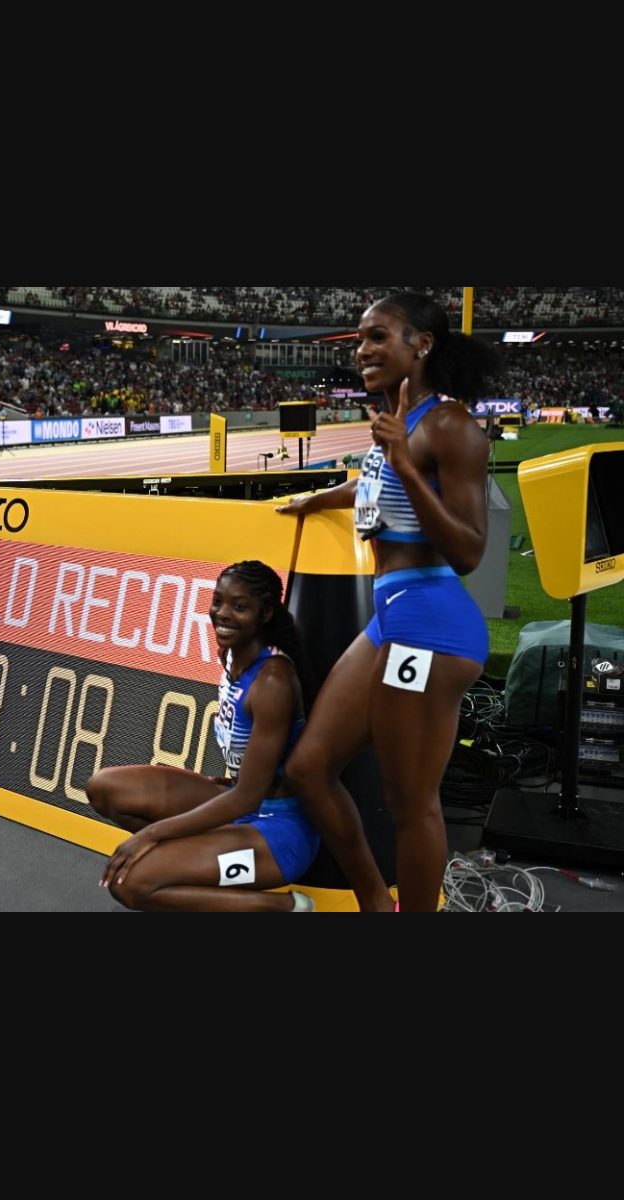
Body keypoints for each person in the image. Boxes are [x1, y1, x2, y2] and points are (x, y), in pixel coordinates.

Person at [276, 292, 502, 912]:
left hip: (432, 627)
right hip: (393, 618)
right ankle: (377, 901)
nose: (362, 350)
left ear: (421, 343)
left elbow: (469, 551)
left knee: (409, 802)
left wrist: (402, 460)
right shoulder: (400, 421)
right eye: (358, 339)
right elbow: (372, 485)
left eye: (378, 337)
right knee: (309, 768)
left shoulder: (451, 426)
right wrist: (315, 500)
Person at [86, 561, 319, 912]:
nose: (222, 614)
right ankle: (194, 866)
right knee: (104, 787)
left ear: (266, 613)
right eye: (218, 601)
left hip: (278, 831)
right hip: (236, 796)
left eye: (239, 607)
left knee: (130, 884)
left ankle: (286, 908)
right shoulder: (232, 656)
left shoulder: (273, 681)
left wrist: (153, 834)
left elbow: (247, 799)